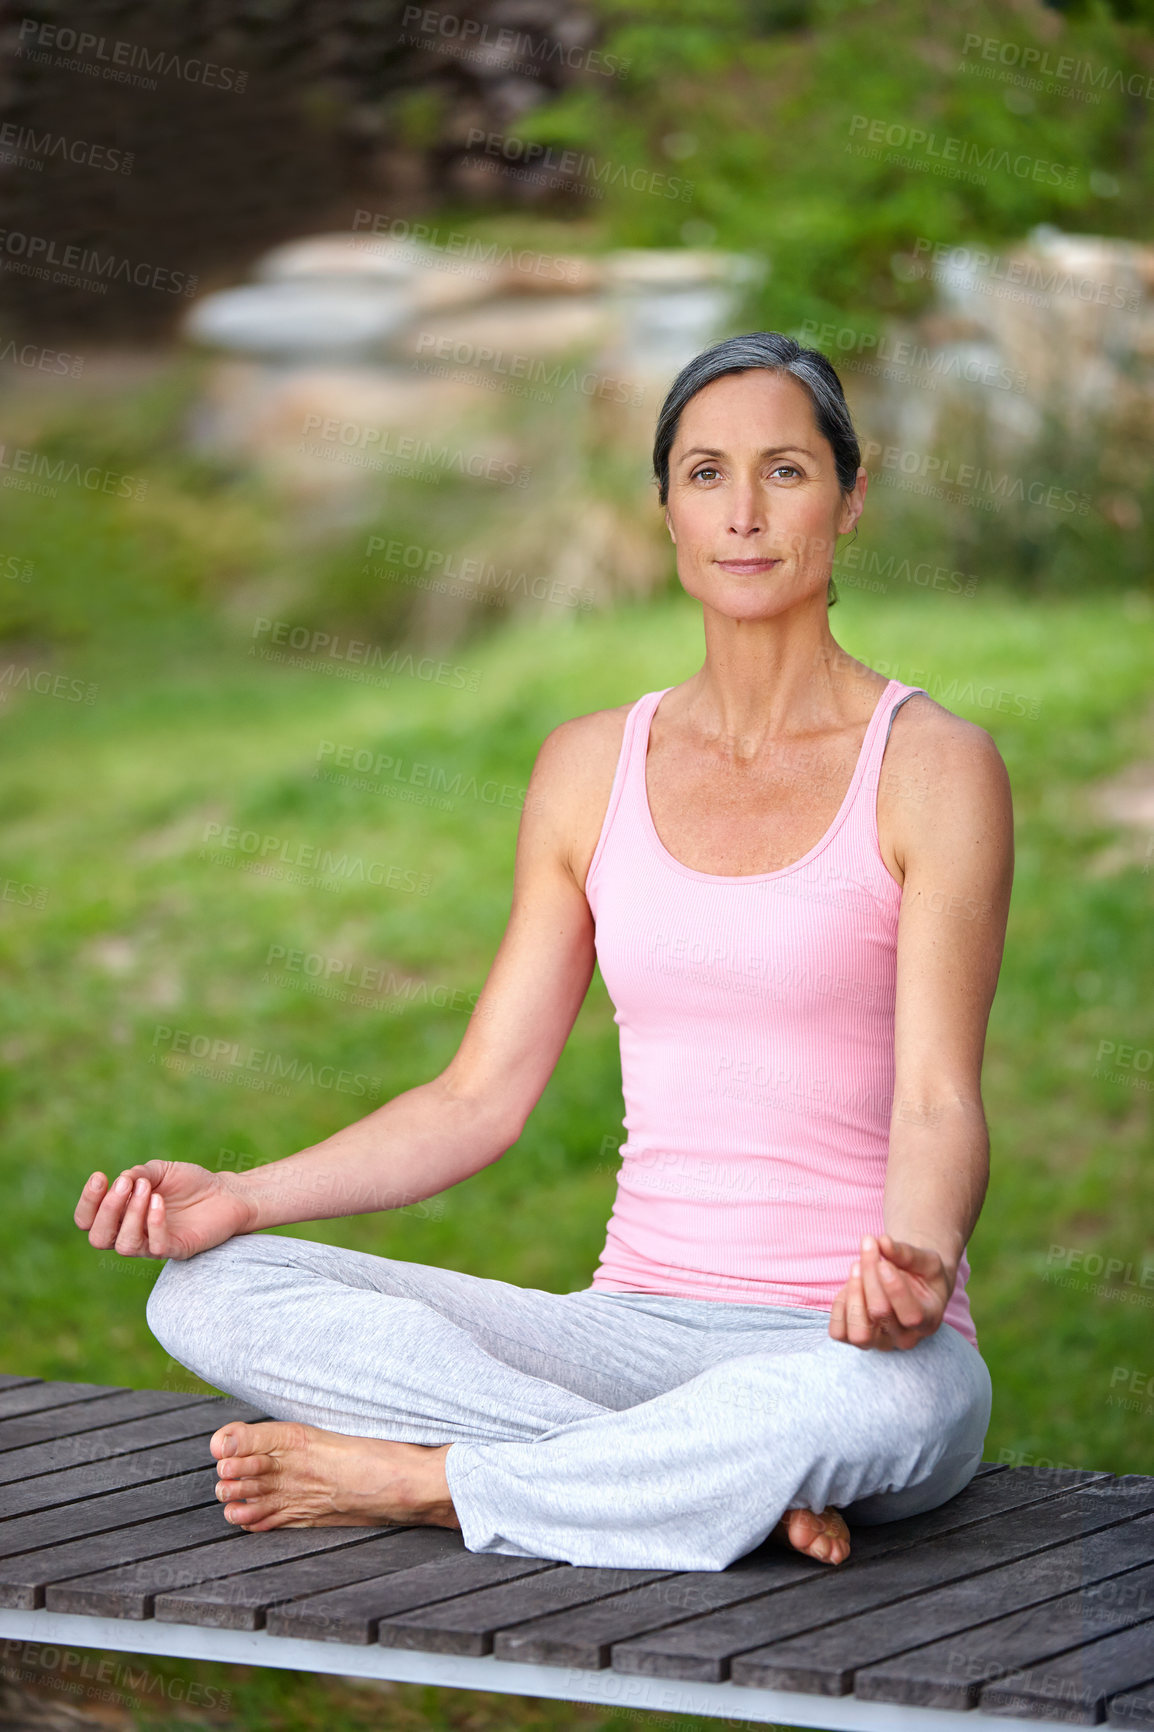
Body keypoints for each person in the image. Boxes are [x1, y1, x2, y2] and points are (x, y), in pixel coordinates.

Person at [74, 332, 1013, 1575]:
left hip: (846, 1350)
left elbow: (938, 1096)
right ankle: (694, 1481)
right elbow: (476, 1097)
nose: (741, 513)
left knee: (887, 1408)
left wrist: (919, 1258)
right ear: (663, 505)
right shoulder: (588, 767)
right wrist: (245, 1195)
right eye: (703, 473)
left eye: (783, 471)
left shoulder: (935, 766)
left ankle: (429, 1483)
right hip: (624, 1335)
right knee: (207, 1291)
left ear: (847, 496)